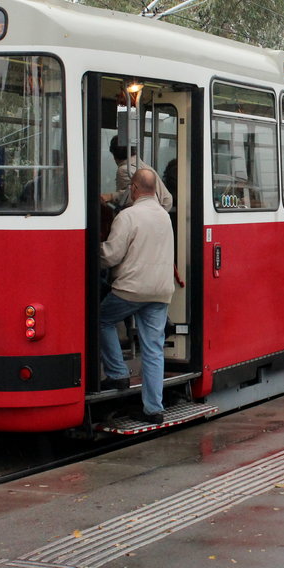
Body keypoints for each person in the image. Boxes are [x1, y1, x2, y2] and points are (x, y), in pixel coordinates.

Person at [99, 167, 175, 424]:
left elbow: (111, 256)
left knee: (102, 319)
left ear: (133, 188)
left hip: (131, 290)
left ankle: (118, 372)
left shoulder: (128, 216)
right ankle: (153, 409)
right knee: (153, 348)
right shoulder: (164, 216)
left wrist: (93, 248)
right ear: (155, 190)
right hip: (161, 291)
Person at [102, 135, 173, 212]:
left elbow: (129, 197)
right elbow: (167, 199)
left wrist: (111, 196)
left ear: (114, 155)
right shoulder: (145, 166)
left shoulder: (124, 170)